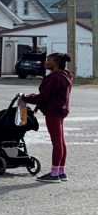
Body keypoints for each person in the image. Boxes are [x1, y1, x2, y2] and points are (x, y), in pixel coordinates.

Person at [21, 52, 73, 183]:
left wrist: (25, 98)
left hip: (54, 111)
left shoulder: (55, 78)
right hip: (60, 110)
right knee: (60, 141)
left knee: (57, 142)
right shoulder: (65, 75)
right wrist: (38, 104)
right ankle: (61, 171)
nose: (46, 62)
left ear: (56, 63)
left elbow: (44, 96)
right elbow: (50, 95)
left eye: (48, 60)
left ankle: (54, 174)